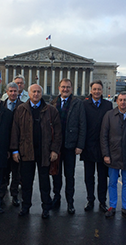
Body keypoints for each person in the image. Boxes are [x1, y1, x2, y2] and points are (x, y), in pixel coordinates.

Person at [10, 84, 62, 219]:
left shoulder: (51, 110)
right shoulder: (20, 110)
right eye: (33, 91)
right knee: (26, 182)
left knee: (45, 183)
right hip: (26, 152)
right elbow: (15, 131)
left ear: (41, 94)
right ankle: (25, 206)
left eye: (38, 92)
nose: (36, 94)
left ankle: (46, 207)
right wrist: (14, 150)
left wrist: (55, 150)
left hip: (44, 152)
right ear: (29, 93)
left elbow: (57, 132)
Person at [100, 92, 126, 220]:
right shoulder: (109, 115)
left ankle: (125, 207)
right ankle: (112, 206)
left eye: (125, 100)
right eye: (120, 100)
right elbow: (104, 136)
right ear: (116, 101)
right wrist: (105, 154)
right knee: (112, 182)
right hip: (113, 154)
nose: (122, 102)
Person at [50, 78, 86, 214]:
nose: (65, 89)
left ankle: (70, 202)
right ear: (59, 88)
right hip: (56, 146)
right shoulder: (53, 103)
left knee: (69, 175)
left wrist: (80, 145)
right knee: (56, 174)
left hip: (71, 146)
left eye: (68, 87)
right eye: (63, 87)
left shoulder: (78, 103)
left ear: (72, 89)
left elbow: (82, 125)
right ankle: (57, 197)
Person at [80, 80, 112, 212]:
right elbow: (82, 124)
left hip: (102, 146)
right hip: (88, 145)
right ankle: (90, 200)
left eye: (99, 89)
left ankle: (102, 201)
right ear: (91, 90)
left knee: (102, 176)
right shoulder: (84, 104)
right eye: (94, 89)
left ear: (102, 91)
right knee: (89, 176)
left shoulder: (108, 105)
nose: (97, 91)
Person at [0, 82, 23, 207]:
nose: (13, 93)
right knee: (4, 172)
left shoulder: (23, 106)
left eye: (15, 91)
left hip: (18, 145)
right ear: (7, 92)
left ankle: (15, 196)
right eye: (11, 91)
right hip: (3, 145)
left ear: (18, 92)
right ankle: (1, 194)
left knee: (16, 173)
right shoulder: (0, 106)